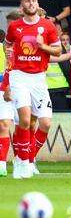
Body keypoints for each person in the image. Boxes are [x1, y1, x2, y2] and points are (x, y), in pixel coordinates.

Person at [4, 0, 62, 179]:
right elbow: (7, 44)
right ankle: (23, 161)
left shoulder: (48, 26)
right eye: (27, 1)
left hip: (39, 78)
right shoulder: (15, 26)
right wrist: (10, 60)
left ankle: (28, 158)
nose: (31, 3)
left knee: (44, 122)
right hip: (19, 76)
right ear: (22, 5)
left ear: (37, 4)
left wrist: (42, 46)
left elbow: (58, 49)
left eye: (34, 0)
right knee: (26, 121)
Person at [0, 10, 23, 177]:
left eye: (11, 26)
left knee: (25, 126)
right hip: (6, 89)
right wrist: (6, 85)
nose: (9, 29)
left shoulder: (28, 43)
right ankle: (2, 164)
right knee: (4, 125)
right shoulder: (5, 44)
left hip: (24, 89)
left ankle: (23, 161)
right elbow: (7, 69)